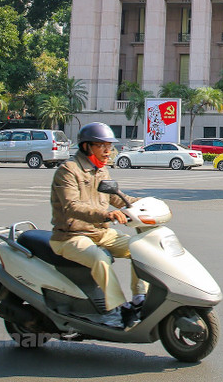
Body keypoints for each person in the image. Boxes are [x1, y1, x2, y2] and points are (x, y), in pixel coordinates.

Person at [49, 122, 147, 328]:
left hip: (100, 233)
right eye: (101, 145)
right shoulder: (68, 170)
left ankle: (140, 299)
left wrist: (145, 204)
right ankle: (116, 309)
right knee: (100, 259)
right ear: (86, 146)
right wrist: (106, 215)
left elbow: (117, 198)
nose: (107, 151)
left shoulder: (101, 171)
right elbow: (71, 206)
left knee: (140, 249)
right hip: (71, 236)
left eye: (109, 146)